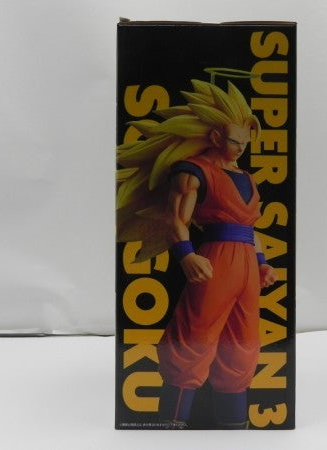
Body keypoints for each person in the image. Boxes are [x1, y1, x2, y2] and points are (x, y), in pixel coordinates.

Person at [117, 78, 277, 429]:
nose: (240, 148)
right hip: (215, 260)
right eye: (234, 141)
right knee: (192, 341)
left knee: (243, 346)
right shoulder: (193, 171)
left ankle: (234, 431)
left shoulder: (247, 178)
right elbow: (175, 219)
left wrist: (262, 263)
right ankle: (170, 428)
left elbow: (251, 228)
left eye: (245, 142)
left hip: (247, 264)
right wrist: (186, 255)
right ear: (216, 137)